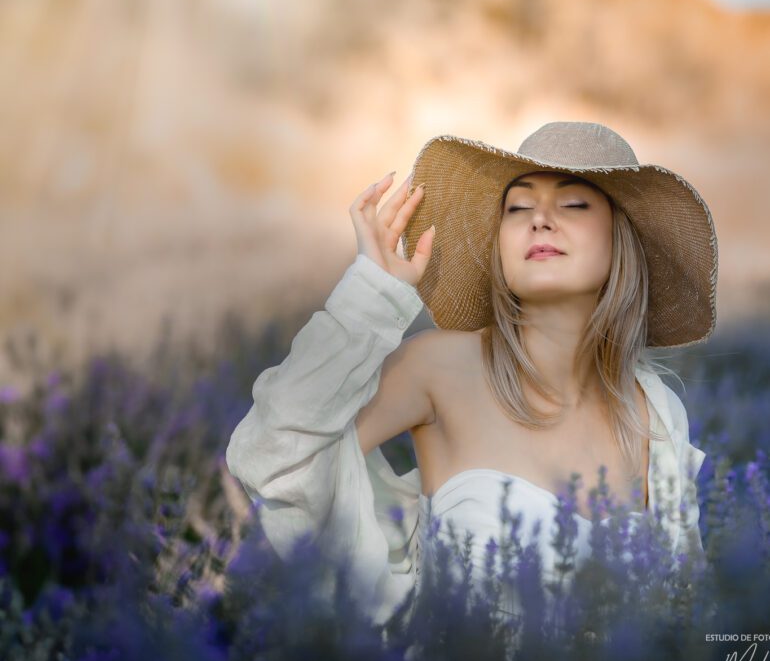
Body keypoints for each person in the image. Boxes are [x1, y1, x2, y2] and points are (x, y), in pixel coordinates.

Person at [225, 121, 718, 632]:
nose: (540, 220)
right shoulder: (441, 368)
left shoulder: (654, 411)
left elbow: (684, 608)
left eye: (573, 204)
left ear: (622, 241)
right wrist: (369, 296)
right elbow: (274, 453)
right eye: (518, 207)